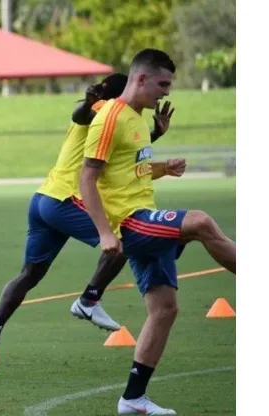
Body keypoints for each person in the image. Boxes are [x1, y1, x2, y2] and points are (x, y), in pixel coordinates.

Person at [0, 73, 175, 372]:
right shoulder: (102, 112)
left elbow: (126, 163)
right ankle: (88, 300)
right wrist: (89, 103)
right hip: (65, 201)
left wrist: (155, 135)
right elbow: (81, 114)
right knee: (123, 240)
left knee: (30, 274)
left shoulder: (113, 121)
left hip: (43, 199)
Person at [78, 48, 236, 414]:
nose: (166, 92)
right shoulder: (110, 118)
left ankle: (132, 398)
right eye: (162, 84)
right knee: (200, 221)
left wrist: (163, 167)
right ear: (141, 78)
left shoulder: (136, 118)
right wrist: (105, 232)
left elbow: (129, 170)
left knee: (164, 310)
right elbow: (88, 178)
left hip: (144, 215)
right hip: (129, 222)